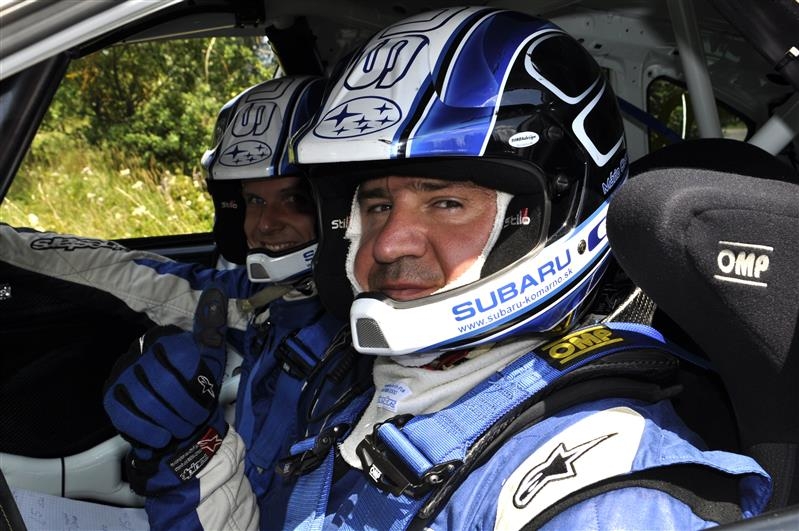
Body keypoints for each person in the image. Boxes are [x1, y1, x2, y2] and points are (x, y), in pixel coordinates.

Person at [104, 7, 772, 531]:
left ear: (545, 214)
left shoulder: (601, 492)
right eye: (375, 204)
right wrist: (195, 455)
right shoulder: (362, 381)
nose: (388, 243)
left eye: (446, 203)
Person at [3, 75, 352, 528]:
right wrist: (10, 246)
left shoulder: (362, 340)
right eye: (253, 200)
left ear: (337, 207)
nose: (265, 224)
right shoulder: (262, 301)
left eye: (294, 200)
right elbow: (127, 274)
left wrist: (193, 453)